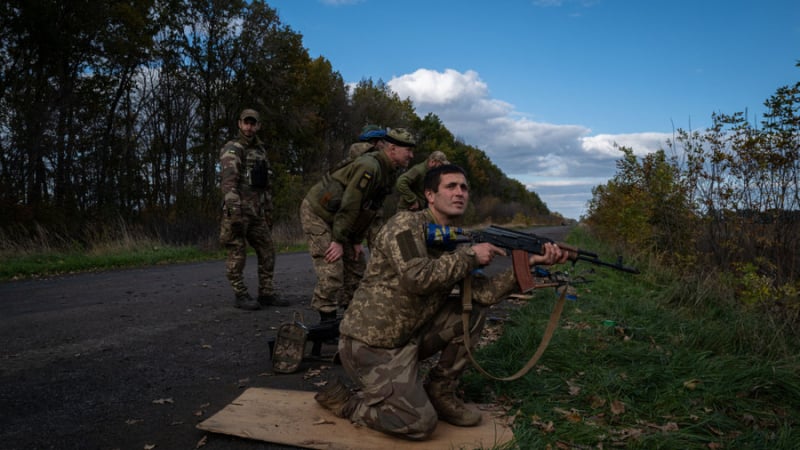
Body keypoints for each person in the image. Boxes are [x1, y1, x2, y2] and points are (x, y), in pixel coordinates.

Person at [313, 164, 569, 440]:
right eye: (451, 186)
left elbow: (483, 295)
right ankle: (349, 404)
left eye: (464, 187)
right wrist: (470, 257)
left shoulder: (455, 240)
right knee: (419, 424)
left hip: (409, 337)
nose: (460, 192)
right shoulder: (404, 226)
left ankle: (440, 390)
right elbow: (416, 277)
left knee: (472, 311)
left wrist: (530, 263)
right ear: (430, 195)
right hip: (371, 347)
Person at [300, 127, 416, 322]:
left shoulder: (389, 171)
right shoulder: (370, 167)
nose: (411, 156)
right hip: (318, 213)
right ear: (393, 148)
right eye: (408, 150)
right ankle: (326, 320)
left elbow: (368, 210)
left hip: (340, 218)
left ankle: (351, 317)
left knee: (356, 266)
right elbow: (351, 204)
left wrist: (355, 240)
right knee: (332, 267)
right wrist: (337, 240)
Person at [219, 108, 289, 310]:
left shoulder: (260, 152)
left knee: (267, 250)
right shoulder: (233, 148)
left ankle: (266, 293)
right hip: (238, 212)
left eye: (253, 123)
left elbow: (266, 187)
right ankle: (240, 295)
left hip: (256, 213)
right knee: (237, 253)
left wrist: (268, 212)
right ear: (239, 124)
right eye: (246, 123)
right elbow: (228, 184)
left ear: (258, 125)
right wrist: (234, 212)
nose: (249, 127)